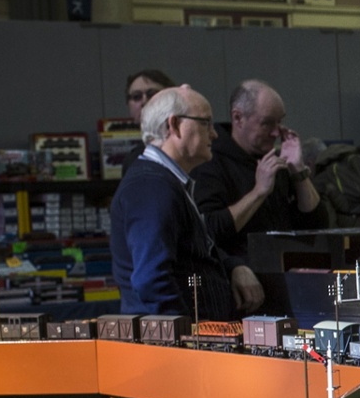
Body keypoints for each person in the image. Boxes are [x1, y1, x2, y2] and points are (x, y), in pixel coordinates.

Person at [109, 86, 246, 320]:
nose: (214, 134)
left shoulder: (161, 181)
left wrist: (232, 266)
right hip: (175, 350)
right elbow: (152, 280)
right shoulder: (150, 186)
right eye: (206, 123)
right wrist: (185, 342)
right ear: (173, 125)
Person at [190, 80, 329, 307]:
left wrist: (298, 171)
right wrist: (258, 192)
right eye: (267, 123)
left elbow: (316, 224)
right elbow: (208, 230)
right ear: (238, 118)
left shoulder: (276, 161)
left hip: (288, 291)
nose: (276, 132)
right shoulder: (210, 163)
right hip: (241, 297)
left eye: (280, 122)